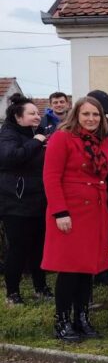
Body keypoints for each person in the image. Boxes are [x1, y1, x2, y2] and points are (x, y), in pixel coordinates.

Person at [41, 97, 108, 341]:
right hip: (70, 212)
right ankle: (61, 321)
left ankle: (81, 318)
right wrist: (60, 212)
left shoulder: (103, 140)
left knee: (87, 269)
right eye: (86, 114)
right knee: (69, 269)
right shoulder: (62, 138)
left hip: (96, 211)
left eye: (96, 115)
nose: (91, 119)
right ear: (76, 116)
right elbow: (51, 176)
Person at [0, 95, 50, 304]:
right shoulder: (8, 135)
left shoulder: (38, 134)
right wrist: (36, 143)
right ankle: (13, 293)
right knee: (18, 248)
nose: (37, 117)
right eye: (32, 114)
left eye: (38, 113)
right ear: (18, 117)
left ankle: (41, 288)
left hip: (38, 200)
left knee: (39, 246)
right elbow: (10, 157)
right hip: (16, 202)